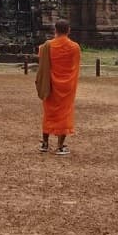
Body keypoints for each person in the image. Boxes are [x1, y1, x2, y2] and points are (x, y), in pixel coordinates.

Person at [35, 19, 81, 156]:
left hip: (50, 85)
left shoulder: (47, 46)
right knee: (64, 114)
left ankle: (45, 143)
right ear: (68, 30)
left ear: (55, 30)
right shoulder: (74, 47)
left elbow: (41, 58)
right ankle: (60, 146)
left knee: (49, 113)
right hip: (67, 86)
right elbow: (74, 65)